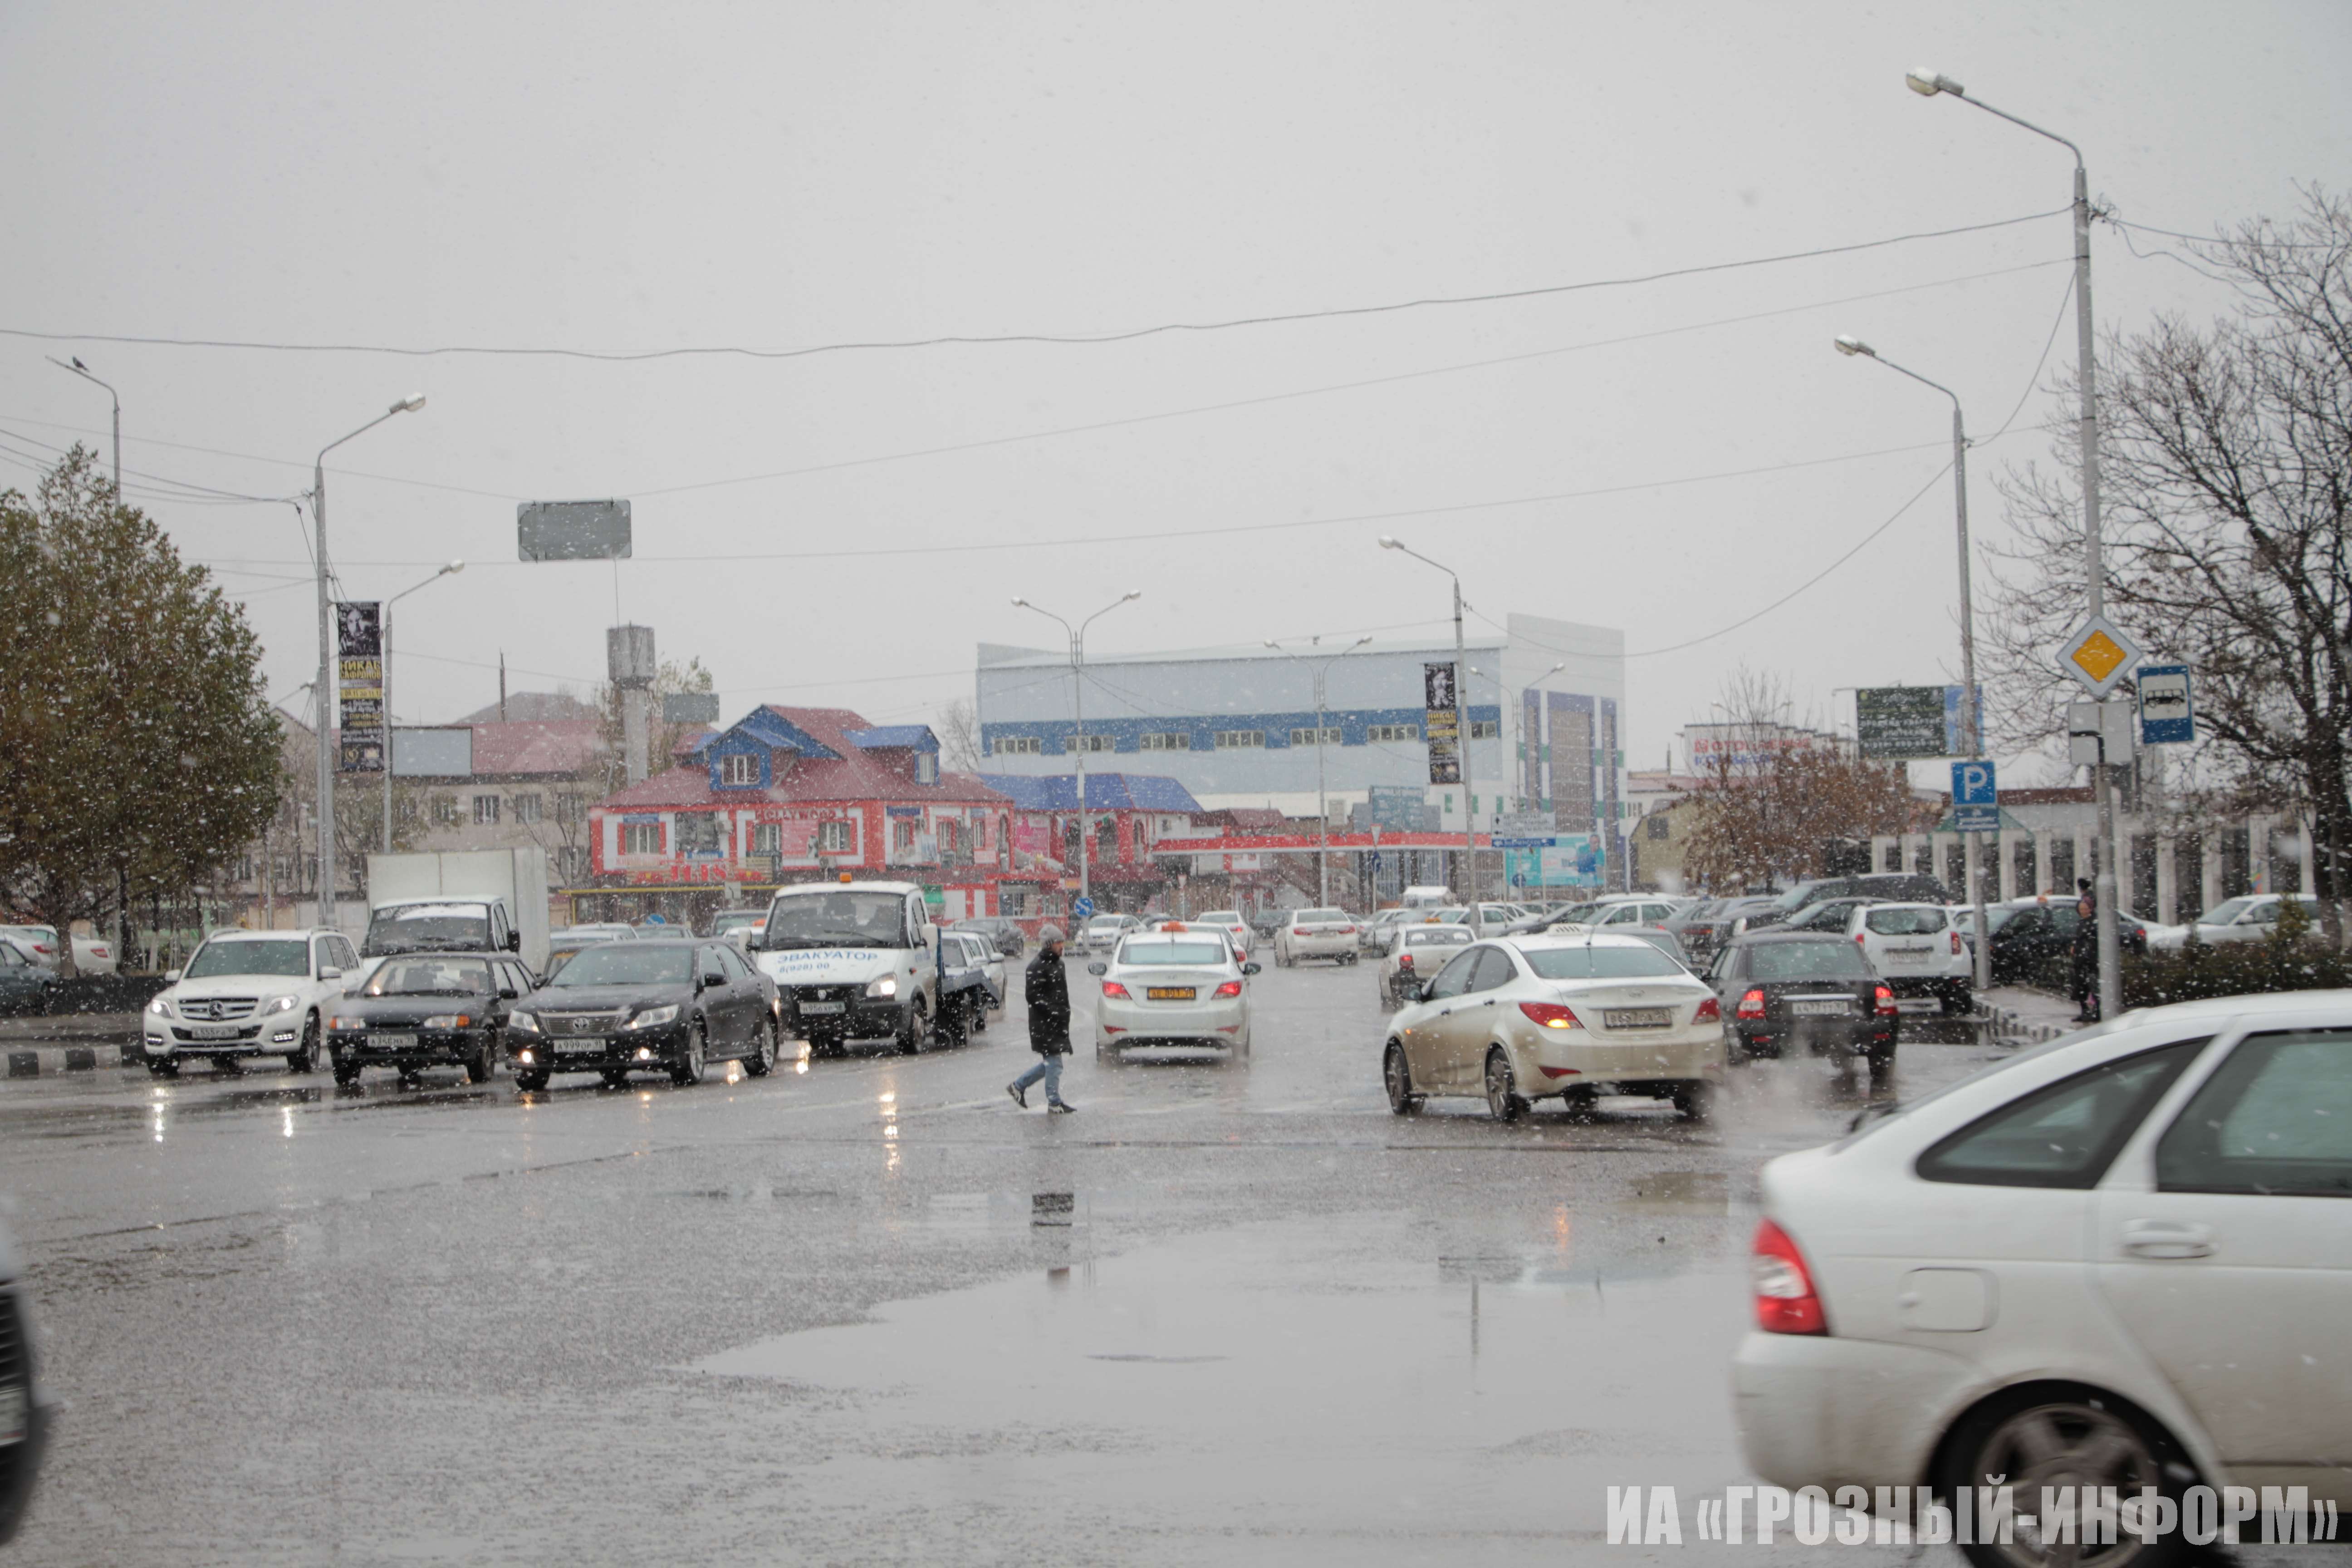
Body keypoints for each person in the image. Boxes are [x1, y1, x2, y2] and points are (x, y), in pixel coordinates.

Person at [1008, 926, 1075, 1113]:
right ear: (1049, 944)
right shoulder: (1037, 967)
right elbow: (1032, 996)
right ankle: (1054, 1102)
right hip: (1044, 1025)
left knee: (1051, 1064)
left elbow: (1061, 995)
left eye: (1062, 942)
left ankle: (1018, 1086)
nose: (1062, 946)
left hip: (1057, 1023)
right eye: (1058, 942)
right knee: (1055, 1064)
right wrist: (1053, 1012)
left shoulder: (1059, 965)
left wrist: (1063, 1014)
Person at [2070, 877, 2100, 1022]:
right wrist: (2075, 947)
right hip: (2080, 960)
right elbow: (2079, 938)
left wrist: (2086, 952)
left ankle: (2097, 1012)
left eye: (2086, 909)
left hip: (2089, 960)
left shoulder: (2094, 923)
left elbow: (2091, 941)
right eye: (2081, 909)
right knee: (2081, 987)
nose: (2083, 911)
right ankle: (2085, 1012)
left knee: (2093, 987)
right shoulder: (2082, 922)